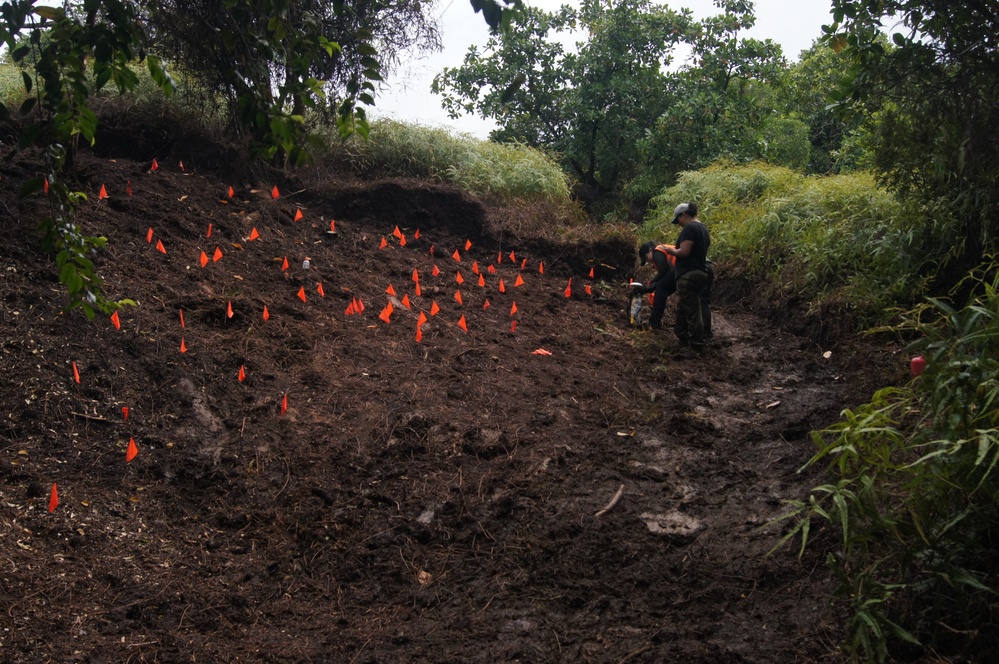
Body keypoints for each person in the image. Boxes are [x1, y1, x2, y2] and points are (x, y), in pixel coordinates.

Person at [650, 202, 711, 349]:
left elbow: (684, 252)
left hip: (688, 274)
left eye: (678, 220)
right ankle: (682, 335)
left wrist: (668, 250)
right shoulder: (703, 228)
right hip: (702, 272)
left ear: (684, 215)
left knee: (691, 310)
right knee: (686, 306)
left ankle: (698, 343)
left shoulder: (690, 227)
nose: (678, 224)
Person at [635, 239, 713, 337]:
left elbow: (664, 272)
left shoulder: (658, 251)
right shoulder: (666, 249)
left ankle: (654, 322)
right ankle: (706, 332)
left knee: (661, 290)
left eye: (646, 258)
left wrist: (650, 286)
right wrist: (651, 286)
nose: (648, 261)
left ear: (650, 250)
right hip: (706, 265)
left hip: (689, 267)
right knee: (703, 300)